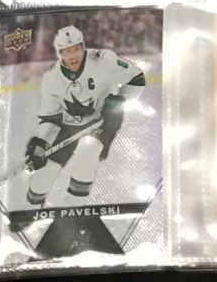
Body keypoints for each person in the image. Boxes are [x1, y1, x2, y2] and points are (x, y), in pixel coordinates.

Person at [22, 24, 146, 210]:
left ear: (82, 47)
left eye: (76, 49)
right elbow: (50, 118)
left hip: (102, 120)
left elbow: (137, 79)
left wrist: (120, 100)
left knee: (88, 151)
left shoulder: (103, 60)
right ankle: (29, 212)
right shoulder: (52, 79)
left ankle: (74, 210)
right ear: (60, 53)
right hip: (69, 125)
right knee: (44, 174)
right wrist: (41, 143)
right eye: (67, 51)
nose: (73, 55)